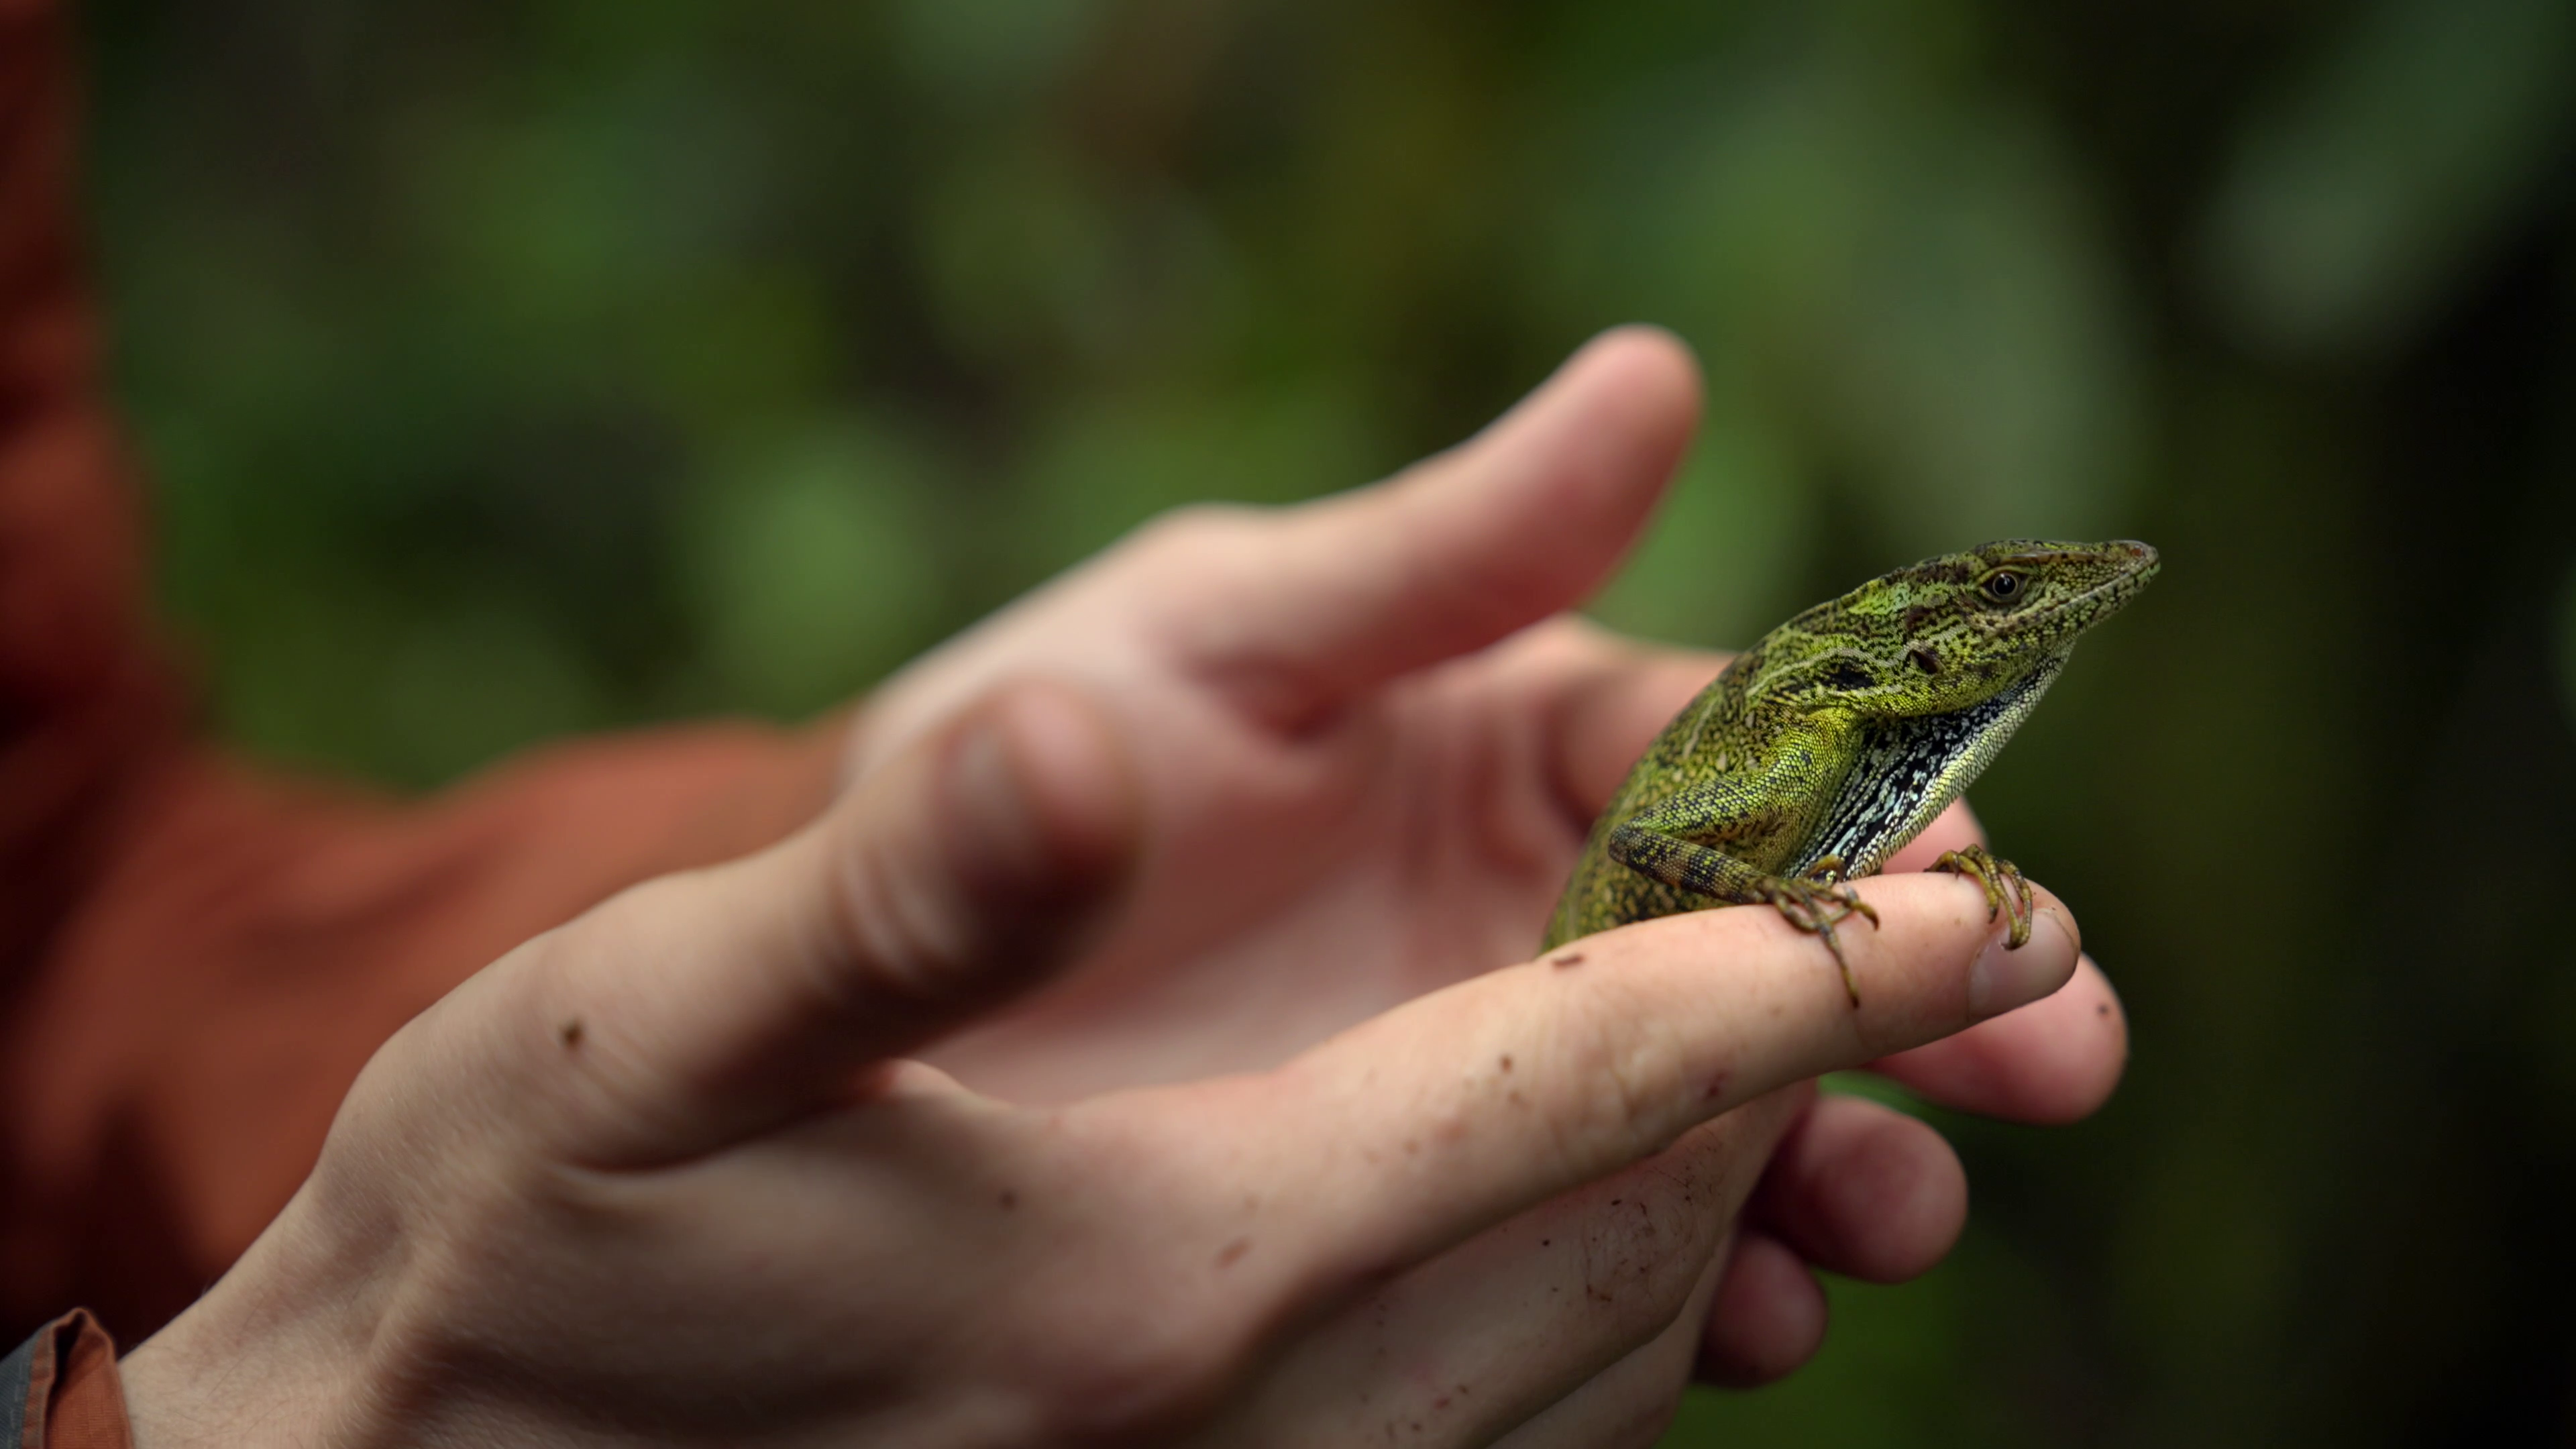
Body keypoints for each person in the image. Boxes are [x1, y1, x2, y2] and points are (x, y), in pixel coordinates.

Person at [0, 5, 2127, 1443]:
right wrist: (311, 1389)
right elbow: (1674, 867)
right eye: (2005, 602)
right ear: (1920, 645)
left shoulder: (1832, 730)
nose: (2042, 615)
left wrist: (851, 860)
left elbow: (59, 870)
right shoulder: (1790, 740)